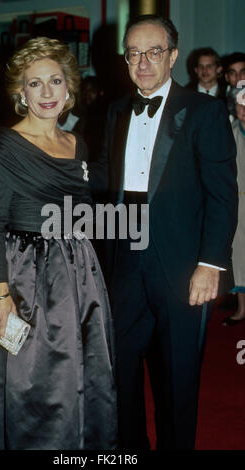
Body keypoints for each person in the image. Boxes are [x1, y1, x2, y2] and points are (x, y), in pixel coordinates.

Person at [0, 37, 117, 450]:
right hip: (21, 271)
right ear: (19, 93)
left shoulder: (76, 143)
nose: (47, 93)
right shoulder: (4, 145)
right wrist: (0, 293)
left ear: (69, 89)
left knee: (77, 375)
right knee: (28, 383)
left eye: (55, 81)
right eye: (35, 83)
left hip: (76, 271)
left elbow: (78, 211)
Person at [102, 14, 238, 450]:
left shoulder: (205, 111)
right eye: (134, 53)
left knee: (178, 379)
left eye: (154, 52)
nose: (143, 63)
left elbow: (223, 196)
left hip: (184, 265)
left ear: (173, 56)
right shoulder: (115, 110)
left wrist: (210, 264)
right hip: (124, 262)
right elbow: (105, 187)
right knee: (119, 376)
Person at [222, 86, 245, 326]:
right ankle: (241, 308)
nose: (244, 110)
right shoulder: (231, 132)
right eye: (240, 105)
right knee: (239, 257)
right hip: (238, 201)